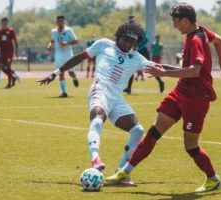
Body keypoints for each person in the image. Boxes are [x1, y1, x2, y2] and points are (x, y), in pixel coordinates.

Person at [106, 2, 221, 192]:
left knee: (190, 146)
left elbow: (194, 71)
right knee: (154, 131)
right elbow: (220, 41)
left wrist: (163, 73)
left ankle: (213, 179)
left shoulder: (197, 39)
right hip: (180, 92)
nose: (173, 24)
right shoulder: (201, 32)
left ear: (185, 20)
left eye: (175, 21)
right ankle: (125, 171)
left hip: (196, 99)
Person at [37, 22, 156, 185]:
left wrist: (187, 71)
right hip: (99, 90)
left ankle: (121, 172)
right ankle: (95, 159)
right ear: (119, 37)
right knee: (98, 120)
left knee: (137, 130)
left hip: (117, 98)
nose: (128, 44)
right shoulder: (103, 44)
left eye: (132, 42)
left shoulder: (136, 57)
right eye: (125, 39)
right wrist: (55, 73)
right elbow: (79, 58)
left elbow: (160, 67)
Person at [123, 16, 165, 94]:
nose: (130, 23)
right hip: (134, 52)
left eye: (131, 22)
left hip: (142, 51)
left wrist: (138, 46)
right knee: (131, 67)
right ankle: (129, 88)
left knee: (149, 68)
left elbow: (147, 39)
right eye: (129, 22)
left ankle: (160, 81)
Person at [47, 16, 79, 98]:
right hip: (58, 54)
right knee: (60, 72)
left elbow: (76, 41)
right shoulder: (53, 31)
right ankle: (64, 92)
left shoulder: (68, 30)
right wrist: (50, 45)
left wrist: (67, 43)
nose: (60, 22)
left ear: (64, 22)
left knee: (71, 73)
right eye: (58, 21)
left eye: (61, 21)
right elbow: (52, 40)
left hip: (68, 54)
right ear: (56, 22)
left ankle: (74, 78)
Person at [0, 17, 20, 88]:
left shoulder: (11, 30)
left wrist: (16, 51)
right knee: (1, 66)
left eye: (6, 22)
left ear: (7, 22)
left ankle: (9, 83)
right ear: (2, 23)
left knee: (8, 66)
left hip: (9, 51)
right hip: (2, 51)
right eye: (4, 22)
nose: (5, 23)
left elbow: (15, 41)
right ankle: (13, 77)